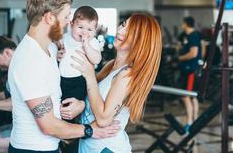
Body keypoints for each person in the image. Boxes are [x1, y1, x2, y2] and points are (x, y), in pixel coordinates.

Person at [8, 0, 120, 153]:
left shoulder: (52, 48)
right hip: (31, 149)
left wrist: (80, 104)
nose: (69, 21)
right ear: (49, 18)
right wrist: (91, 130)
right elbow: (48, 125)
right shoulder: (29, 59)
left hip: (50, 146)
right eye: (66, 16)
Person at [61, 13, 162, 152]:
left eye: (130, 31)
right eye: (123, 25)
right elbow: (94, 101)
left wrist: (89, 75)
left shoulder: (127, 74)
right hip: (89, 147)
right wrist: (81, 105)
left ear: (141, 41)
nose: (120, 31)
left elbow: (103, 119)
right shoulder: (111, 66)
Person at [59, 6, 101, 102]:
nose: (84, 32)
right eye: (80, 27)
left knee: (73, 104)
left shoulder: (93, 42)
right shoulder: (64, 38)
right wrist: (58, 55)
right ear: (71, 24)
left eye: (90, 30)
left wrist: (86, 46)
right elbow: (57, 53)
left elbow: (96, 60)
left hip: (80, 81)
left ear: (95, 30)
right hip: (61, 79)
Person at [177, 16, 201, 131]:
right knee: (191, 97)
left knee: (186, 96)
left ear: (185, 24)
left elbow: (194, 53)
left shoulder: (193, 36)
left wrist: (180, 58)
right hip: (189, 70)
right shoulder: (189, 36)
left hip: (191, 70)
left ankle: (191, 122)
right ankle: (194, 121)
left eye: (183, 23)